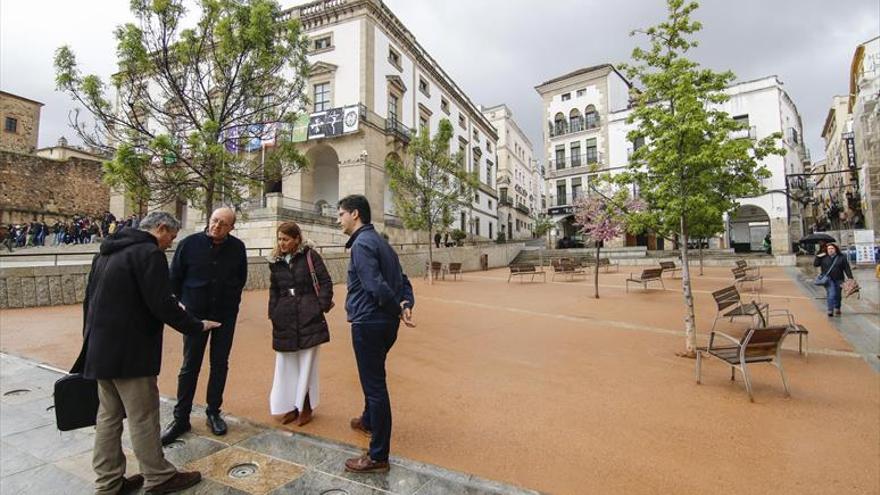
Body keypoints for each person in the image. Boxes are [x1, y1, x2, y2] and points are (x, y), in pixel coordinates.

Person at [82, 211, 220, 494]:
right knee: (143, 415)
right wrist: (196, 326)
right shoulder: (148, 254)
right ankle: (159, 476)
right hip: (131, 353)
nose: (170, 243)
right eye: (171, 236)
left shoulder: (106, 252)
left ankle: (108, 482)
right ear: (160, 228)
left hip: (100, 348)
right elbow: (163, 303)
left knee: (107, 418)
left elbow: (89, 302)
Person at [336, 194, 415, 473]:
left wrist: (396, 308)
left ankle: (378, 455)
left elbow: (375, 285)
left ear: (355, 214)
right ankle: (369, 419)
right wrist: (406, 305)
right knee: (374, 375)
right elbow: (403, 280)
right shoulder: (381, 242)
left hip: (369, 322)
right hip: (383, 324)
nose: (338, 219)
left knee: (375, 386)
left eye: (341, 214)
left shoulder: (361, 244)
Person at [161, 207, 247, 445]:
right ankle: (181, 418)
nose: (216, 226)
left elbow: (240, 279)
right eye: (214, 221)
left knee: (220, 364)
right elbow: (174, 279)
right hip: (195, 316)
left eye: (222, 224)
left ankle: (213, 411)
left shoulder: (237, 248)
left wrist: (231, 304)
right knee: (190, 366)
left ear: (231, 227)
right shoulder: (189, 244)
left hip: (224, 316)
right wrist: (185, 306)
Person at [267, 222, 334, 427]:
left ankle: (305, 406)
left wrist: (319, 306)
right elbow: (274, 289)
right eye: (279, 239)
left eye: (286, 239)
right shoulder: (276, 261)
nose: (282, 243)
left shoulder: (310, 256)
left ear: (297, 239)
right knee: (286, 365)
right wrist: (273, 313)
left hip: (308, 315)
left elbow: (325, 282)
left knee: (306, 364)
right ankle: (289, 406)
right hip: (285, 316)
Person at [813, 242, 853, 317]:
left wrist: (850, 278)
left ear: (835, 249)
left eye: (832, 248)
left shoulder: (841, 257)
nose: (830, 250)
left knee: (838, 295)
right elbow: (815, 264)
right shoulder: (823, 257)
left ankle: (837, 307)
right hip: (828, 280)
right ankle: (830, 310)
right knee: (831, 294)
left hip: (839, 279)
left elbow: (847, 268)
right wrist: (818, 256)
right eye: (828, 249)